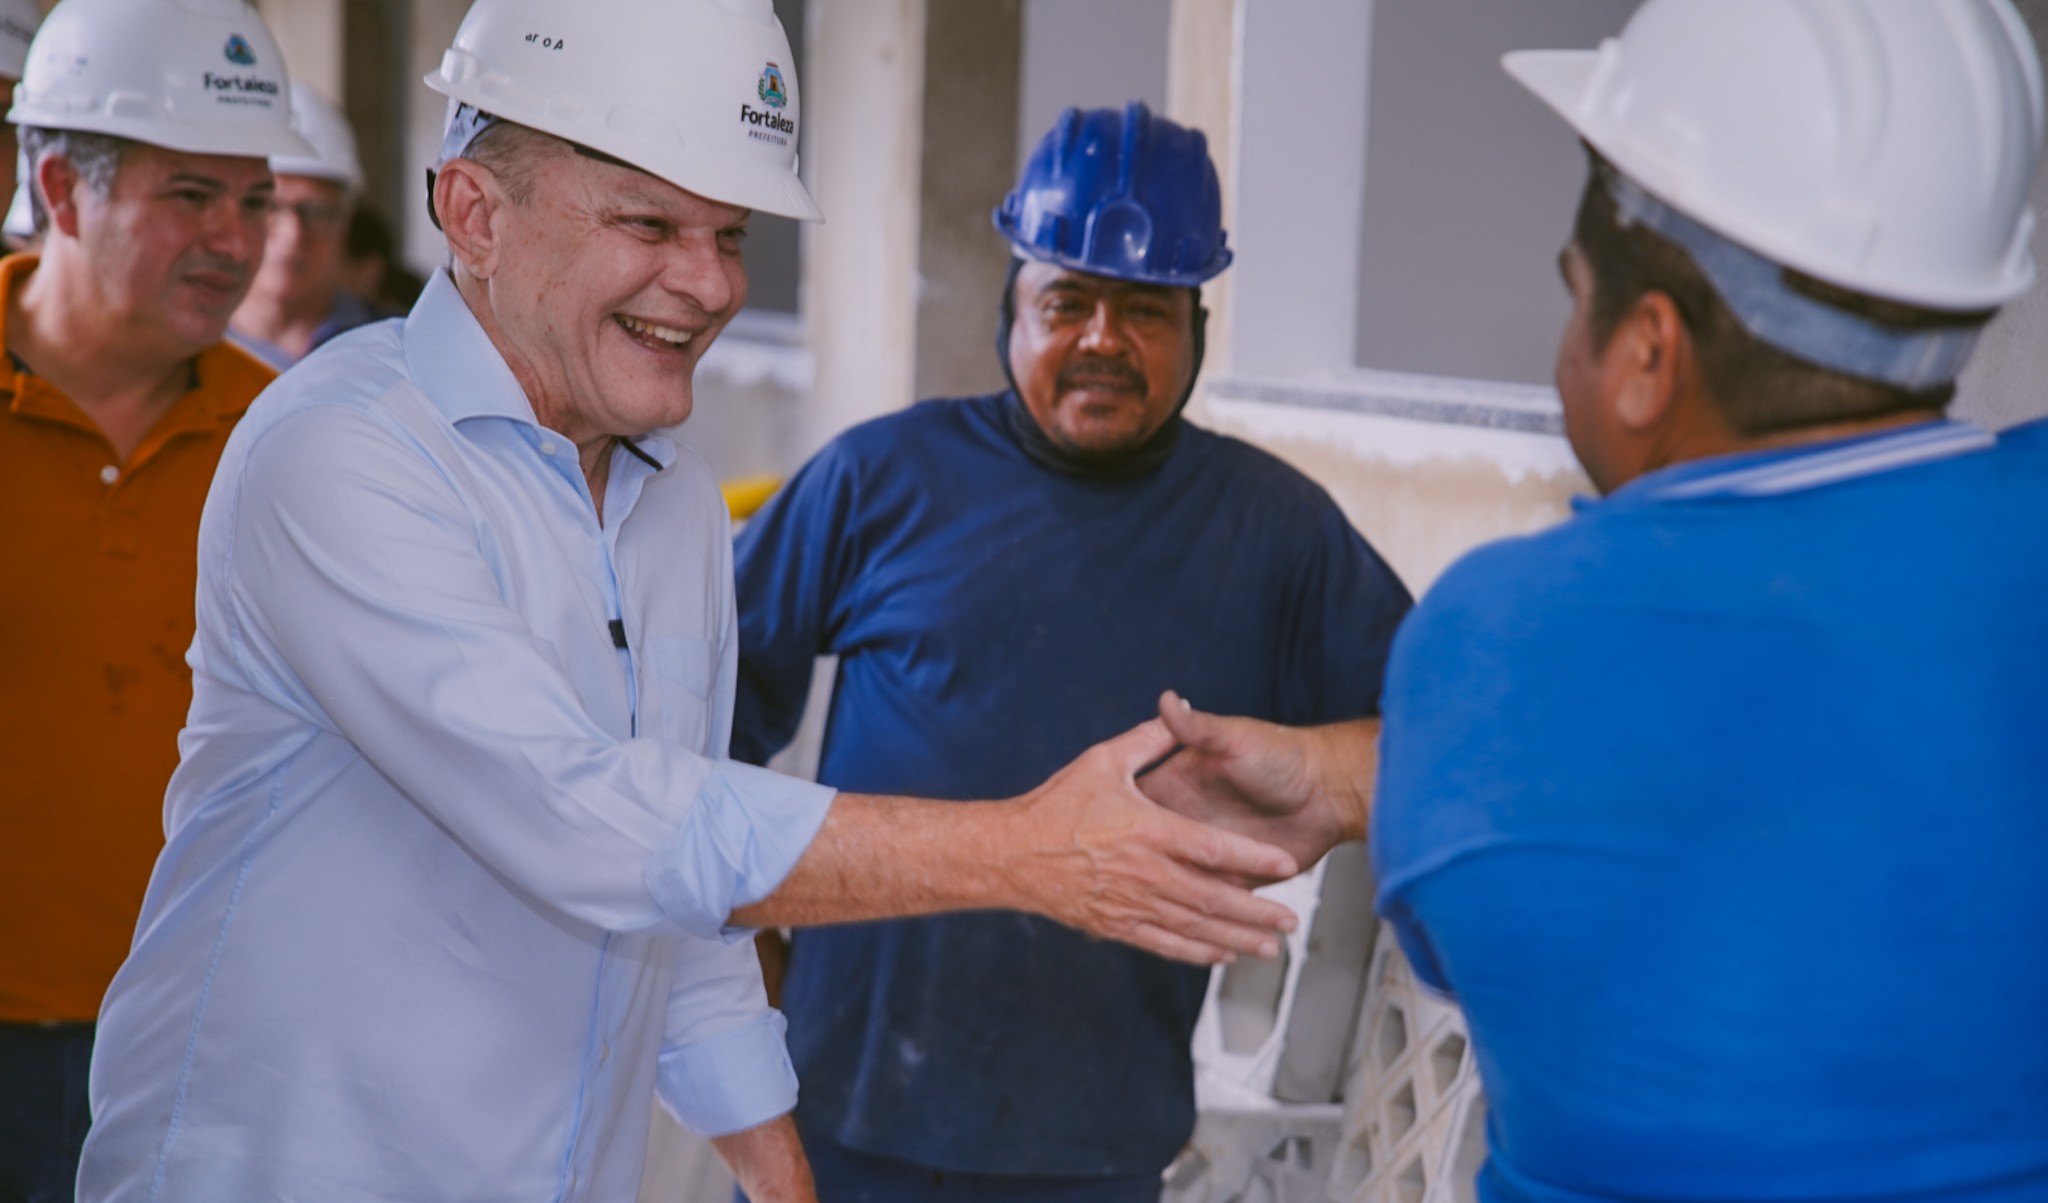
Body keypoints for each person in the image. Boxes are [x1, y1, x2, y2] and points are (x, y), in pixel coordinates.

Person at [76, 4, 1302, 1201]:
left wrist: (770, 1161)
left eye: (729, 233)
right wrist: (1021, 852)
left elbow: (685, 871)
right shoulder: (341, 453)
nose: (708, 284)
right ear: (474, 213)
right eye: (651, 223)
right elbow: (587, 820)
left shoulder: (668, 493)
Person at [1144, 0, 2048, 1198]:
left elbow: (1577, 820)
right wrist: (1334, 774)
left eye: (1574, 294)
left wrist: (1379, 771)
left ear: (1643, 357)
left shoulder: (1496, 639)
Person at [730, 101, 1411, 1203]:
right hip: (835, 1120)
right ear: (1013, 309)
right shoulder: (874, 481)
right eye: (1068, 302)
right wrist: (746, 976)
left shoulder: (1277, 533)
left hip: (1093, 1141)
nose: (1103, 338)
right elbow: (696, 722)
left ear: (1197, 327)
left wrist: (1325, 784)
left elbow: (1437, 734)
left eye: (1145, 309)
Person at [0, 0, 304, 1198]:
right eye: (191, 195)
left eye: (255, 198)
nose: (238, 241)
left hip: (205, 1043)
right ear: (66, 189)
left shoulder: (293, 442)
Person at [229, 84, 381, 369]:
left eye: (316, 212)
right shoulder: (177, 349)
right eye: (268, 206)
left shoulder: (392, 346)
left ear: (346, 221)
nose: (292, 235)